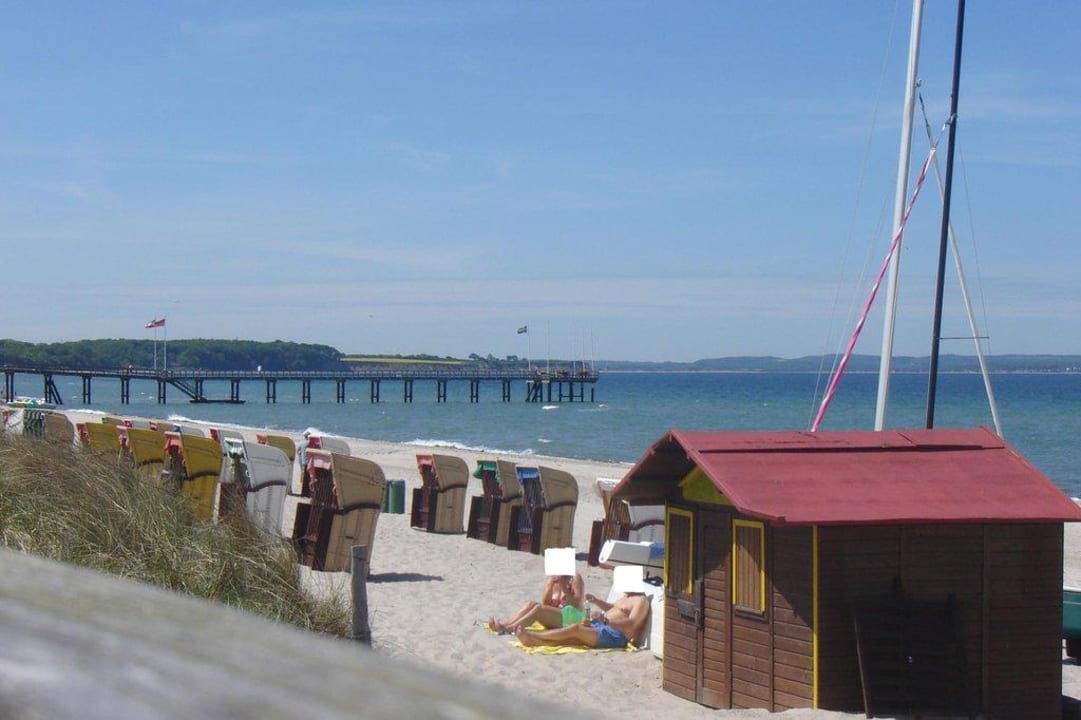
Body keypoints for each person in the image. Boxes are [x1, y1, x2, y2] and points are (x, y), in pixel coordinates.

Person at [514, 590, 650, 650]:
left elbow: (632, 625)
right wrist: (597, 601)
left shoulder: (641, 600)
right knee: (574, 639)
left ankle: (533, 636)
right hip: (600, 625)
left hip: (615, 635)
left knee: (575, 629)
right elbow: (613, 608)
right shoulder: (626, 596)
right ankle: (535, 642)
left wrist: (607, 622)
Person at [488, 572, 585, 634]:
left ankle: (509, 629)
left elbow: (577, 604)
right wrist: (550, 585)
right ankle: (506, 624)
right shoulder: (554, 578)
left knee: (539, 609)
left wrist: (564, 587)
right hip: (558, 616)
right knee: (532, 604)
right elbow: (546, 604)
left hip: (572, 617)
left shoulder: (575, 577)